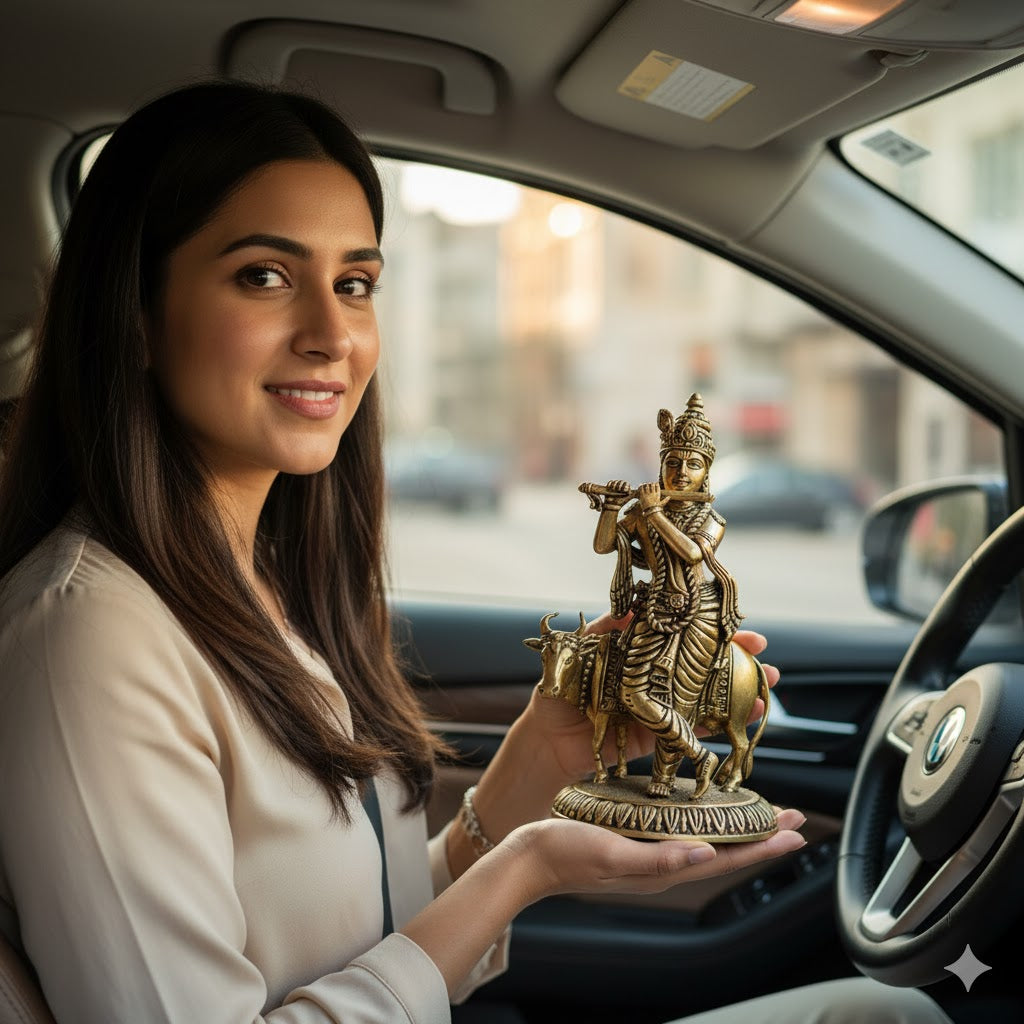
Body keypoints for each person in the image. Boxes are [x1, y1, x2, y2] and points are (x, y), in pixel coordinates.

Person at [0, 78, 931, 1024]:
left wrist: (533, 767)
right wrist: (526, 870)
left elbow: (374, 940)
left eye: (355, 284)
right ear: (138, 315)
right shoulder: (88, 638)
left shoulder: (270, 587)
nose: (332, 334)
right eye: (265, 276)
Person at [589, 396, 739, 799]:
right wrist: (613, 507)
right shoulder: (645, 510)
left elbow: (692, 553)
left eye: (692, 464)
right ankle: (701, 756)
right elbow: (606, 546)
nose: (680, 472)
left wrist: (654, 514)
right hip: (653, 607)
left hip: (699, 614)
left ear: (707, 471)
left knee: (679, 698)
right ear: (660, 466)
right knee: (632, 692)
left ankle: (666, 777)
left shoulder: (710, 518)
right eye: (673, 462)